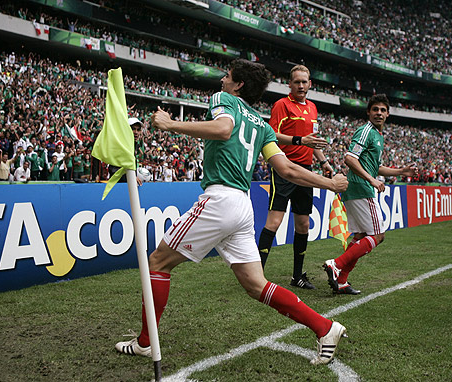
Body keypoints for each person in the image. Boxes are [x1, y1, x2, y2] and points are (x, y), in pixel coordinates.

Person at [115, 59, 349, 366]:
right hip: (242, 206)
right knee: (256, 285)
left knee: (157, 262)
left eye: (227, 76)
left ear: (238, 85)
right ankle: (325, 327)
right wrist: (329, 183)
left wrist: (171, 124)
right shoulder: (262, 125)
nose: (222, 80)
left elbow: (224, 129)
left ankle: (146, 343)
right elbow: (288, 169)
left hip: (220, 200)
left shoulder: (223, 100)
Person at [322, 94, 418, 295]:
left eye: (383, 110)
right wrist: (371, 180)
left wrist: (401, 171)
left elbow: (376, 167)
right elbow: (350, 158)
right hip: (361, 188)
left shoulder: (377, 135)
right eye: (375, 109)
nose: (379, 113)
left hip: (357, 187)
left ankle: (341, 281)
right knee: (378, 235)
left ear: (388, 114)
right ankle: (336, 264)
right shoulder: (366, 131)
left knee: (361, 236)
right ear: (368, 112)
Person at [257, 65, 332, 290]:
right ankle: (257, 275)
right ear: (290, 84)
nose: (301, 86)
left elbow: (313, 140)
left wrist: (324, 162)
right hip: (284, 167)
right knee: (275, 221)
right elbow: (270, 135)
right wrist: (300, 140)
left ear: (310, 84)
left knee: (303, 223)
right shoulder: (282, 105)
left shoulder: (312, 108)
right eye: (297, 82)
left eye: (304, 82)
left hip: (306, 170)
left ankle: (297, 276)